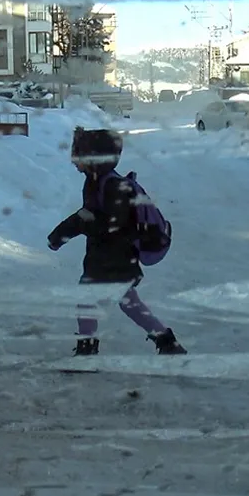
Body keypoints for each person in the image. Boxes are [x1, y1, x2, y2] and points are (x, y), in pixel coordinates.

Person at [48, 127, 186, 356]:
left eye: (78, 154)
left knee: (89, 300)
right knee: (128, 303)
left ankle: (87, 352)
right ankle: (167, 342)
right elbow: (86, 215)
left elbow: (111, 225)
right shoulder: (94, 182)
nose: (73, 160)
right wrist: (59, 236)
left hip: (114, 257)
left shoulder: (113, 186)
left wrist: (84, 224)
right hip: (108, 256)